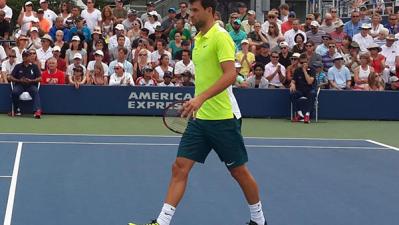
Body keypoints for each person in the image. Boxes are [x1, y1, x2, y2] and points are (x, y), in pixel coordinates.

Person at [127, 1, 268, 225]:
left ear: (209, 11)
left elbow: (231, 75)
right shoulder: (199, 39)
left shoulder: (220, 36)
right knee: (179, 167)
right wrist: (195, 102)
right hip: (200, 118)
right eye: (190, 10)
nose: (190, 15)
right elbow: (206, 78)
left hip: (223, 118)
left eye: (195, 10)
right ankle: (161, 223)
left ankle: (259, 221)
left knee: (238, 172)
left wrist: (201, 98)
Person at [9, 50, 42, 118]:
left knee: (35, 91)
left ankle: (37, 111)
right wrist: (19, 80)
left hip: (31, 85)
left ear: (30, 57)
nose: (25, 57)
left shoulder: (34, 66)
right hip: (20, 85)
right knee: (14, 92)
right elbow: (10, 77)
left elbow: (40, 78)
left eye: (27, 56)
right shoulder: (18, 66)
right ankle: (16, 109)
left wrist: (31, 80)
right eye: (23, 56)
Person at [290, 53, 316, 123]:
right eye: (301, 62)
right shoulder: (297, 70)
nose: (303, 64)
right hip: (300, 90)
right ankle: (300, 114)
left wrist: (304, 70)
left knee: (313, 94)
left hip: (309, 90)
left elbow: (309, 82)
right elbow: (293, 81)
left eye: (305, 62)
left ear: (308, 61)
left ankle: (307, 115)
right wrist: (292, 84)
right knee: (292, 94)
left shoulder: (312, 70)